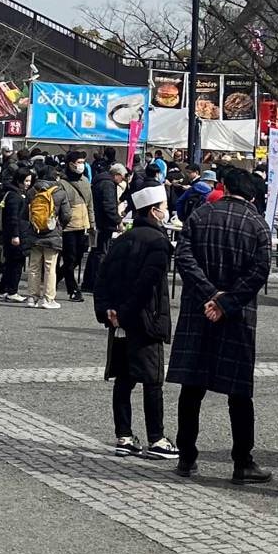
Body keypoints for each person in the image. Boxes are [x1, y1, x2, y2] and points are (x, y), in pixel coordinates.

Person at [168, 166, 272, 483]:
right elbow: (259, 272)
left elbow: (183, 258)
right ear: (253, 195)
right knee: (239, 392)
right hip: (237, 316)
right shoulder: (257, 225)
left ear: (224, 187)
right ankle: (242, 461)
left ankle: (187, 457)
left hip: (198, 310)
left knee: (192, 388)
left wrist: (210, 294)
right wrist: (226, 302)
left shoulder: (200, 216)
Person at [93, 184, 179, 460]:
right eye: (164, 207)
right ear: (154, 211)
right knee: (152, 380)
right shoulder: (158, 242)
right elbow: (147, 285)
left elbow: (102, 278)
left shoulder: (121, 240)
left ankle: (124, 436)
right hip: (146, 320)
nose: (166, 211)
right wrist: (127, 312)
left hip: (119, 320)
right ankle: (157, 438)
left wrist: (108, 310)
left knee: (124, 378)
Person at [26, 163, 72, 309]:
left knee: (34, 266)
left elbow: (25, 213)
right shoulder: (60, 192)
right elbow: (67, 215)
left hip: (35, 232)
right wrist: (59, 226)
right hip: (52, 233)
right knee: (50, 267)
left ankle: (32, 298)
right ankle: (48, 299)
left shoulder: (32, 191)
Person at [58, 150, 95, 303]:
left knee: (78, 257)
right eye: (78, 162)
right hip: (68, 226)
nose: (81, 165)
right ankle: (73, 289)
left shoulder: (86, 181)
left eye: (82, 162)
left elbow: (90, 204)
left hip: (83, 224)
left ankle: (54, 277)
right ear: (70, 164)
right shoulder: (62, 183)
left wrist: (92, 224)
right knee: (70, 257)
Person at [0, 166, 34, 303]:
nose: (28, 183)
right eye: (25, 181)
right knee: (16, 264)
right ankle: (12, 291)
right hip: (16, 233)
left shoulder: (14, 193)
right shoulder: (15, 196)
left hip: (15, 232)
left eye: (29, 181)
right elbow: (13, 218)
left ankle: (3, 291)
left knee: (11, 264)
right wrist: (15, 235)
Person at [92, 162, 127, 255]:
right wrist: (118, 221)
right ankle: (98, 269)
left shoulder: (102, 180)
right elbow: (109, 206)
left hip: (99, 220)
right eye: (122, 178)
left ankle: (92, 269)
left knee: (96, 251)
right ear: (117, 175)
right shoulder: (108, 184)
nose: (122, 181)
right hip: (104, 223)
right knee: (101, 251)